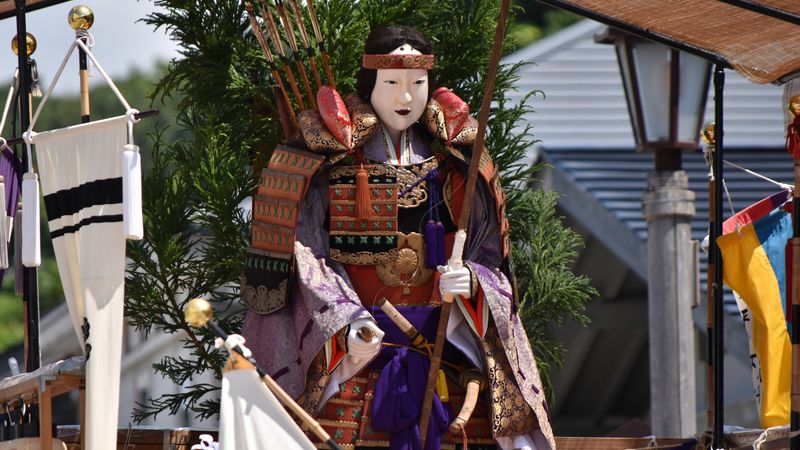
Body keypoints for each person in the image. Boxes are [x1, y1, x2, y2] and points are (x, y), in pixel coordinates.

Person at [241, 25, 554, 450]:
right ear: (370, 85)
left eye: (417, 84)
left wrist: (473, 283)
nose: (405, 98)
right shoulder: (324, 163)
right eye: (391, 83)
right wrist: (345, 322)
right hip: (359, 352)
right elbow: (306, 255)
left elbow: (490, 255)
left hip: (447, 356)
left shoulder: (460, 163)